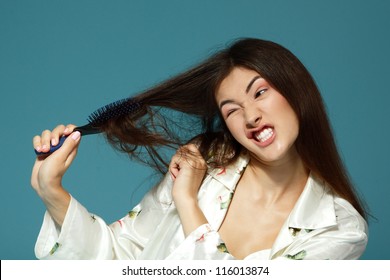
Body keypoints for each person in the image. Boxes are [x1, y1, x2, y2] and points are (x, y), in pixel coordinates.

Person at [31, 38, 368, 260]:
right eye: (231, 109)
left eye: (260, 92)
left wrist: (188, 203)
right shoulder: (202, 163)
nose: (251, 116)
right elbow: (123, 256)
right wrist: (52, 192)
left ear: (296, 91)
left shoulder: (340, 229)